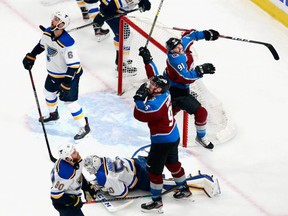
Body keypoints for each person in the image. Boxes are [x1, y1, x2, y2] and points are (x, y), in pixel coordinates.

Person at [138, 29, 219, 149]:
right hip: (170, 91)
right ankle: (159, 140)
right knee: (164, 119)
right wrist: (199, 71)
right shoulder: (176, 59)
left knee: (201, 112)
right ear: (171, 51)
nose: (179, 49)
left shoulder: (182, 44)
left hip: (182, 93)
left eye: (179, 46)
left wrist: (207, 34)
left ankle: (201, 137)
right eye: (175, 49)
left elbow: (192, 36)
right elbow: (185, 77)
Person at [22, 11, 91, 141]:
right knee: (48, 93)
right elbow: (42, 45)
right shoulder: (48, 33)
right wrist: (32, 55)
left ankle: (84, 126)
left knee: (70, 103)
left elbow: (73, 66)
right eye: (53, 18)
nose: (52, 21)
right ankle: (54, 115)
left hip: (70, 76)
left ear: (62, 24)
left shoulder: (68, 43)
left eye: (56, 19)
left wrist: (66, 84)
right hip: (53, 74)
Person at [133, 74, 192, 213]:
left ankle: (156, 201)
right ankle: (184, 189)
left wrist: (138, 99)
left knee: (154, 171)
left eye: (154, 85)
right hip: (173, 136)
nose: (150, 85)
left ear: (159, 89)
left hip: (162, 142)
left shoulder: (155, 105)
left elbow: (139, 114)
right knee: (173, 164)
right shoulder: (166, 93)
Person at [83, 154, 220, 199]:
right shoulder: (102, 159)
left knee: (169, 186)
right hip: (139, 161)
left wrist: (106, 190)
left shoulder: (102, 176)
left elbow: (122, 193)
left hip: (143, 177)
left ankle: (203, 181)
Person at [92, 0, 151, 76]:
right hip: (112, 12)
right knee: (126, 36)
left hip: (113, 9)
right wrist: (101, 17)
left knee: (122, 36)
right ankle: (122, 65)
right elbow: (113, 5)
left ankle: (120, 60)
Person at [50, 143, 98, 216]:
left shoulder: (73, 161)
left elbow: (77, 174)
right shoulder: (65, 174)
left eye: (75, 150)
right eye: (74, 153)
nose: (77, 152)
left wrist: (86, 186)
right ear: (68, 158)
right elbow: (55, 197)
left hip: (70, 196)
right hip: (65, 206)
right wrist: (72, 200)